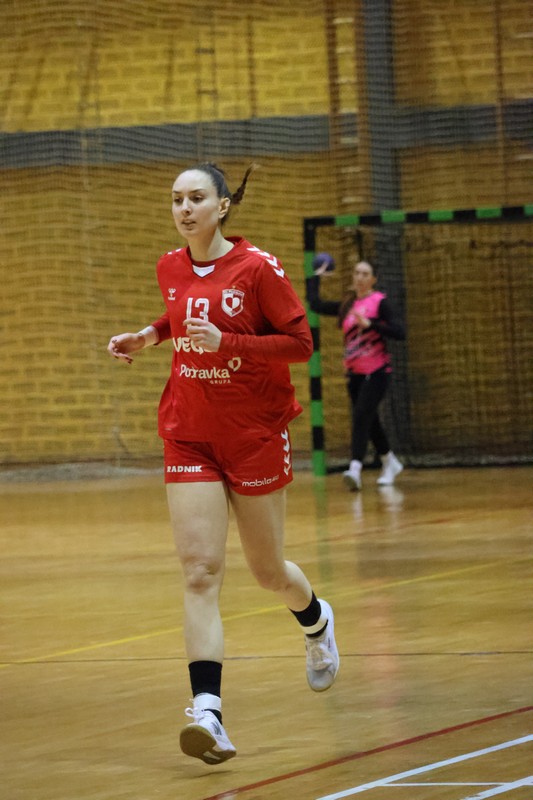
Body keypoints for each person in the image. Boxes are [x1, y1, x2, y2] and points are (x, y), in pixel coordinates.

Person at [107, 162, 339, 766]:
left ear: (223, 205)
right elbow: (180, 313)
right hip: (189, 434)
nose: (184, 209)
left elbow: (300, 344)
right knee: (199, 572)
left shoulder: (258, 268)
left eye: (196, 198)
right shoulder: (169, 266)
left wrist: (227, 343)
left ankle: (315, 621)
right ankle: (207, 713)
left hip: (254, 434)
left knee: (267, 572)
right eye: (176, 199)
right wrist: (148, 336)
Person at [306, 258, 405, 491]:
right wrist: (316, 276)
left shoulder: (380, 302)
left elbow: (400, 332)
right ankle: (389, 461)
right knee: (370, 420)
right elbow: (316, 304)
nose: (359, 277)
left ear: (373, 279)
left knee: (361, 415)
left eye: (365, 274)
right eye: (357, 273)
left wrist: (372, 325)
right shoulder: (348, 304)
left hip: (377, 371)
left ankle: (355, 469)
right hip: (355, 374)